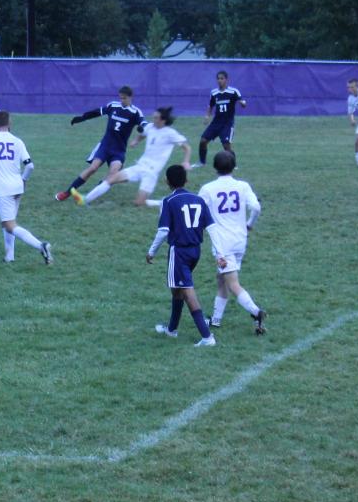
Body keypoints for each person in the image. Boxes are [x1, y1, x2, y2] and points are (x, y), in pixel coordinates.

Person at [146, 164, 217, 347]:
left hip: (179, 251)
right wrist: (218, 252)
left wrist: (151, 251)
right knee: (177, 288)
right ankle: (172, 329)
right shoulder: (199, 200)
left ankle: (207, 336)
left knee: (186, 290)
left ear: (167, 182)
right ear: (187, 180)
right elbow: (211, 227)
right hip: (196, 250)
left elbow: (163, 231)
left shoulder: (169, 201)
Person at [196, 151, 266, 334]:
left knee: (232, 283)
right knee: (222, 279)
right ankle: (216, 319)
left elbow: (198, 212)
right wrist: (250, 224)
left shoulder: (208, 189)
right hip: (240, 240)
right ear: (234, 166)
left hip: (222, 244)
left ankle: (256, 312)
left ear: (214, 167)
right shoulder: (243, 186)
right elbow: (256, 207)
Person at [0, 111, 52, 265]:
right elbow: (30, 166)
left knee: (9, 225)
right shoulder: (18, 141)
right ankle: (10, 256)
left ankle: (41, 246)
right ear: (10, 123)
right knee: (8, 221)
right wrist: (24, 180)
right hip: (17, 186)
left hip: (2, 189)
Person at [73, 106, 190, 208]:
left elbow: (187, 147)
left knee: (139, 203)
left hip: (151, 172)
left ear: (163, 120)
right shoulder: (150, 127)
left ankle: (164, 202)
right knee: (111, 179)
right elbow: (142, 134)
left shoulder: (170, 133)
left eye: (156, 118)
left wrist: (186, 161)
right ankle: (85, 200)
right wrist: (135, 141)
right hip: (140, 166)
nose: (153, 120)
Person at [55, 85, 144, 202]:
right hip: (105, 146)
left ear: (130, 97)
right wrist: (82, 118)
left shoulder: (135, 112)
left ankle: (91, 196)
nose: (122, 101)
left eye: (124, 98)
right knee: (92, 168)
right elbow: (97, 112)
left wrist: (142, 128)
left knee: (112, 174)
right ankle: (67, 193)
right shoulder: (113, 105)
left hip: (119, 150)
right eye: (120, 98)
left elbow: (143, 123)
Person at [197, 70, 245, 166]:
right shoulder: (214, 93)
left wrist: (243, 103)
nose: (219, 80)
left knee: (226, 146)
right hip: (216, 123)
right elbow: (210, 106)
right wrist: (207, 116)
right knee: (203, 141)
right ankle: (202, 162)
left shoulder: (233, 91)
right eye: (218, 78)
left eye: (222, 78)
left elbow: (242, 102)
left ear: (226, 80)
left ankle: (233, 165)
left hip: (227, 123)